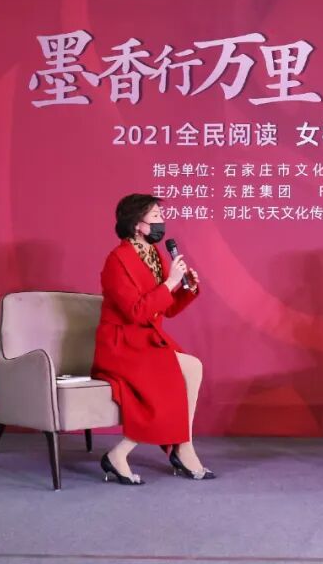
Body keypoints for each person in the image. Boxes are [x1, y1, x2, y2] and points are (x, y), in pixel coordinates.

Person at [91, 194, 215, 485]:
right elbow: (136, 312)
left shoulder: (154, 255)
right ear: (137, 224)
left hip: (146, 340)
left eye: (161, 216)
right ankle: (164, 450)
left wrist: (185, 288)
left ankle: (182, 446)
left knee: (192, 367)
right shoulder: (117, 260)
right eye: (156, 217)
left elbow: (165, 309)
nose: (162, 222)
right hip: (121, 344)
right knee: (171, 376)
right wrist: (170, 282)